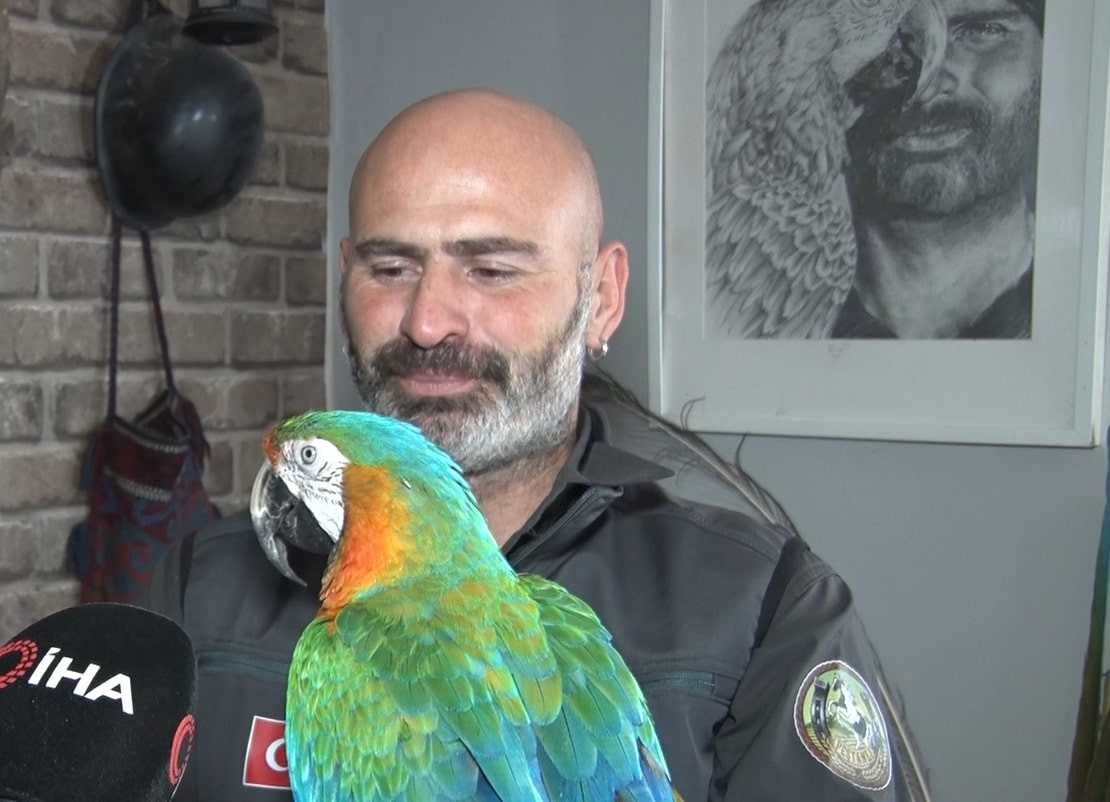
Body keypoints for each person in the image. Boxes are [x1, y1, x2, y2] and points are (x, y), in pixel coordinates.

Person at [142, 88, 919, 800]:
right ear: (344, 280)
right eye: (391, 266)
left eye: (490, 269)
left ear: (601, 299)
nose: (427, 321)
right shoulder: (199, 587)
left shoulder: (766, 607)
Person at [833, 0, 1044, 338]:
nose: (928, 85)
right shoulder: (762, 328)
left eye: (980, 30)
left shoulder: (1077, 312)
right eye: (882, 36)